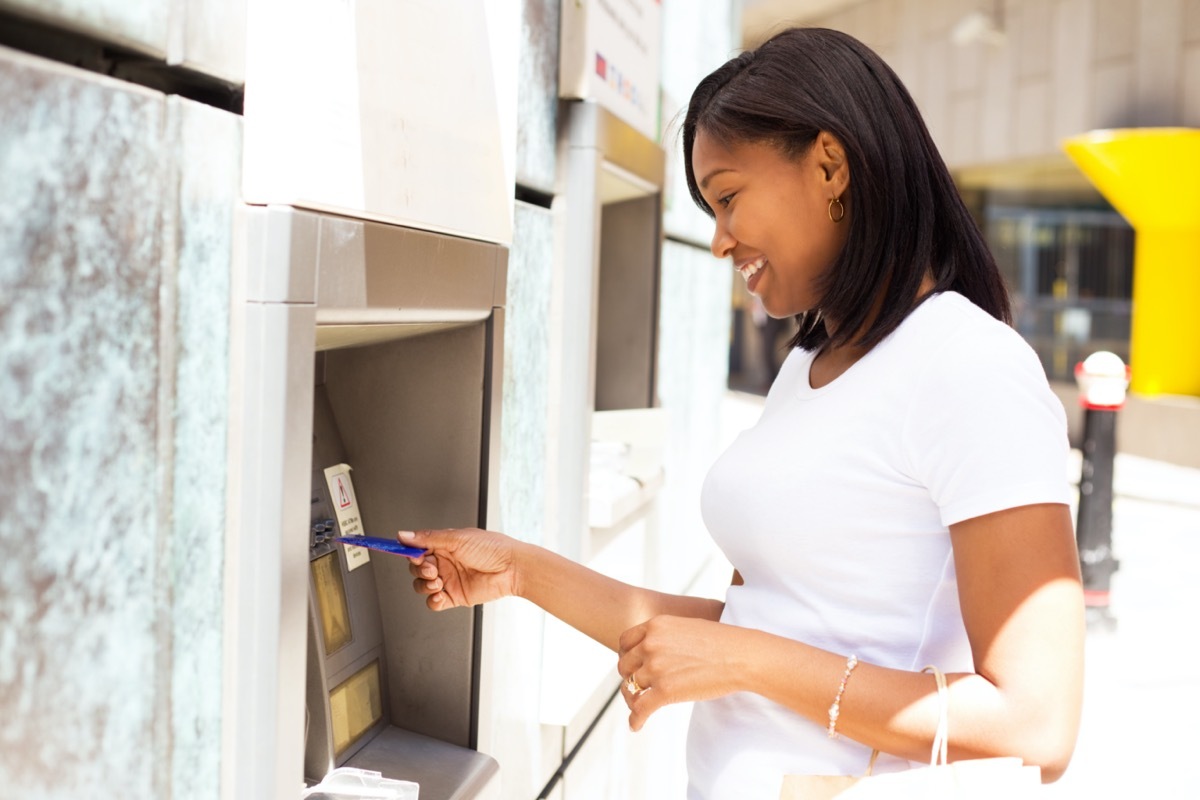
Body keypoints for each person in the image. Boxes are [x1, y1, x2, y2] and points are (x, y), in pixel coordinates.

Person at [401, 27, 1084, 799]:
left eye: (727, 198)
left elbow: (1036, 726)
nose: (720, 241)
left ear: (830, 165)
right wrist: (520, 570)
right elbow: (744, 625)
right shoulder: (809, 366)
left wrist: (746, 661)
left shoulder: (969, 367)